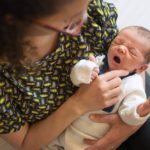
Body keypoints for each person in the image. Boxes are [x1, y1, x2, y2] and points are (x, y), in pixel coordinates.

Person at [0, 0, 150, 150]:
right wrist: (80, 102)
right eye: (73, 19)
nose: (85, 19)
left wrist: (131, 122)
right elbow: (26, 143)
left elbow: (135, 64)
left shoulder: (91, 10)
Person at [46, 26, 150, 150]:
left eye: (132, 52)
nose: (121, 48)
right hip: (62, 130)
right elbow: (75, 77)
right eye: (118, 42)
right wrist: (85, 71)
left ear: (141, 68)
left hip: (85, 142)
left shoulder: (133, 85)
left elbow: (127, 117)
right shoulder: (98, 62)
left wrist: (141, 109)